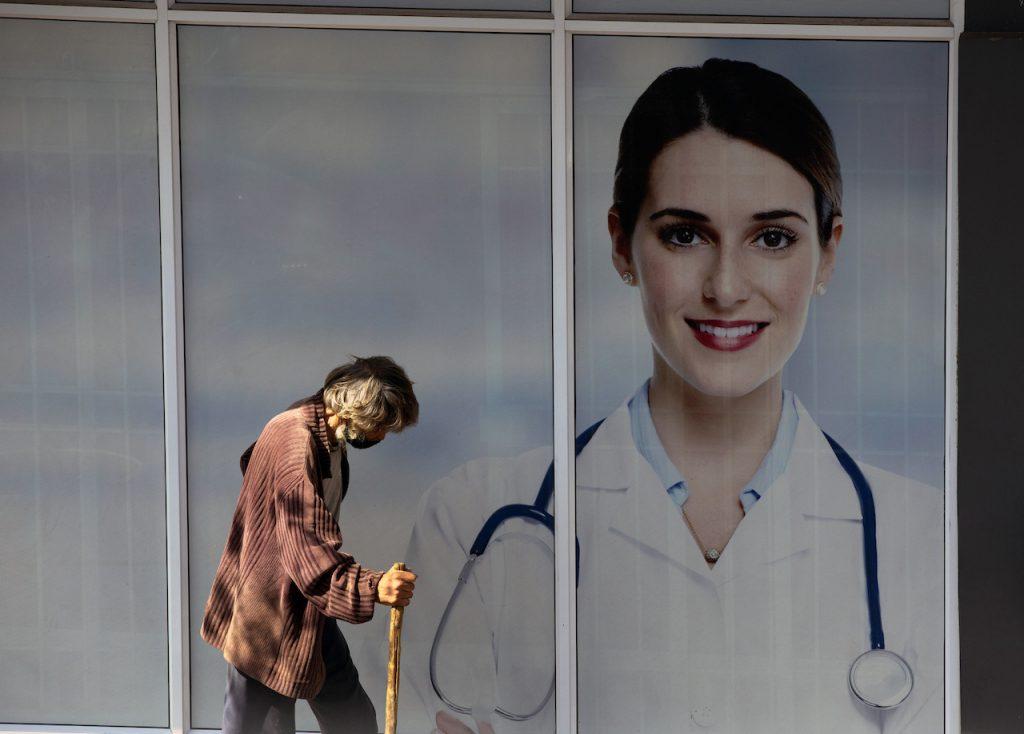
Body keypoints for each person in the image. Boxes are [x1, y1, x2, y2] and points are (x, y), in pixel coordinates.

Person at [399, 60, 944, 734]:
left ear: (828, 253)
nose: (726, 287)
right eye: (685, 235)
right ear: (621, 246)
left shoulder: (925, 543)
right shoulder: (472, 519)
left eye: (772, 238)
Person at [201, 355, 421, 734]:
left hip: (306, 606)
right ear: (353, 413)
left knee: (351, 717)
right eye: (381, 427)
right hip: (266, 618)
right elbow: (307, 550)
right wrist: (374, 587)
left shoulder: (324, 433)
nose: (382, 437)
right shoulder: (295, 443)